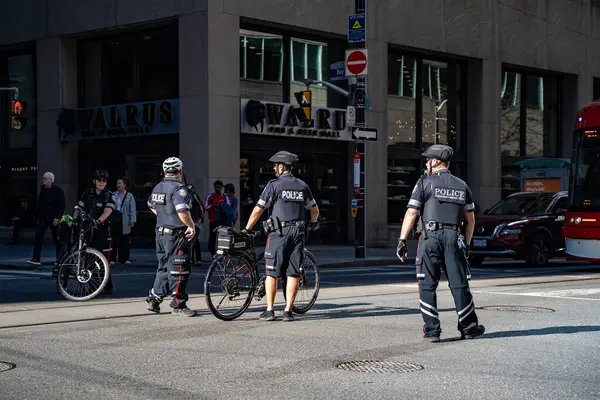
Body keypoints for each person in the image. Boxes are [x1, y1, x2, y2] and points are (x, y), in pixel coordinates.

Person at [396, 144, 485, 342]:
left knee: (427, 284)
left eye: (428, 160)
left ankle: (432, 330)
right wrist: (467, 244)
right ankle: (469, 327)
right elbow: (470, 220)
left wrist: (402, 240)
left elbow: (412, 212)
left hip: (430, 237)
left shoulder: (423, 184)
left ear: (435, 162)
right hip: (454, 237)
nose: (426, 163)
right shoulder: (463, 186)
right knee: (460, 284)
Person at [243, 150, 320, 322]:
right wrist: (313, 223)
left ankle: (270, 310)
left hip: (279, 232)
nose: (274, 168)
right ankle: (287, 311)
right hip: (298, 232)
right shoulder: (302, 186)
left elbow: (258, 209)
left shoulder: (274, 185)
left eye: (275, 166)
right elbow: (314, 209)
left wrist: (247, 228)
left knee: (272, 271)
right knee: (293, 273)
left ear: (282, 167)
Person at [146, 157, 196, 317]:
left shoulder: (158, 187)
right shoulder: (178, 189)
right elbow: (182, 211)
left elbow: (151, 205)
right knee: (179, 268)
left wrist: (164, 215)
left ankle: (154, 298)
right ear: (180, 171)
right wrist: (191, 226)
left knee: (164, 267)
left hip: (160, 232)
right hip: (176, 234)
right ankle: (178, 304)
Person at [74, 169, 115, 294]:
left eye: (104, 181)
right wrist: (74, 219)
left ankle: (107, 285)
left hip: (102, 230)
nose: (102, 183)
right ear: (94, 181)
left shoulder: (109, 195)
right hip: (88, 229)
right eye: (99, 180)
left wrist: (99, 221)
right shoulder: (88, 193)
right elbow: (78, 207)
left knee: (103, 259)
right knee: (89, 257)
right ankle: (93, 285)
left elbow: (108, 211)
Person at [28, 172, 65, 265]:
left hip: (53, 218)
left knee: (57, 239)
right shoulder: (43, 189)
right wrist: (37, 215)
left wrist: (57, 217)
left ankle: (60, 259)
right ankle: (36, 258)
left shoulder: (58, 191)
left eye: (45, 178)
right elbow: (40, 203)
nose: (43, 180)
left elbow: (61, 205)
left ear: (51, 180)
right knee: (38, 237)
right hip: (43, 217)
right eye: (43, 178)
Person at [111, 177, 137, 264]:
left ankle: (124, 258)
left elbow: (132, 209)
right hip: (115, 219)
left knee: (124, 240)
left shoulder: (129, 196)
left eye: (120, 183)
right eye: (117, 183)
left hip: (125, 219)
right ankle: (112, 258)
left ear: (125, 185)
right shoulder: (113, 195)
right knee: (114, 239)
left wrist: (132, 220)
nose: (118, 185)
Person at [205, 180, 231, 255]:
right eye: (216, 187)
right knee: (212, 238)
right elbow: (206, 207)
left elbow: (228, 207)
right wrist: (214, 205)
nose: (218, 188)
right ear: (214, 187)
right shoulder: (210, 196)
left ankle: (222, 253)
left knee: (222, 237)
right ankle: (213, 254)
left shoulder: (225, 197)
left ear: (221, 188)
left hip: (223, 221)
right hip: (213, 221)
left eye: (219, 187)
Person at [187, 182, 205, 265]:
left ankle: (192, 259)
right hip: (195, 220)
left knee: (191, 241)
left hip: (193, 221)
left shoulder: (191, 197)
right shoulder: (195, 196)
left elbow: (201, 208)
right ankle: (195, 259)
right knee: (194, 241)